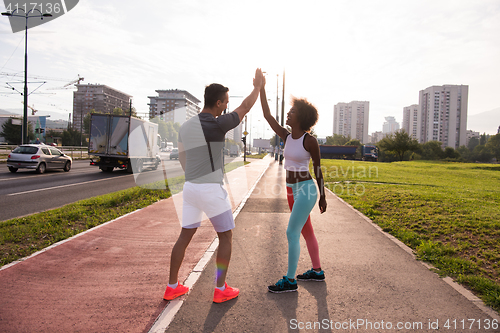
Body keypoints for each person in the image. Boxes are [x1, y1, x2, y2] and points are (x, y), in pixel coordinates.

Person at [164, 68, 264, 303]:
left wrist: (194, 175)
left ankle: (171, 286)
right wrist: (258, 88)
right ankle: (220, 289)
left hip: (189, 188)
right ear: (218, 103)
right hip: (210, 189)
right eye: (226, 103)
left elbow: (181, 157)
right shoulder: (218, 124)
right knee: (226, 237)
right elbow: (246, 107)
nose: (227, 107)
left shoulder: (186, 126)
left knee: (184, 237)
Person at [260, 76, 327, 293]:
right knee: (305, 232)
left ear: (303, 117)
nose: (288, 113)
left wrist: (323, 196)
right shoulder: (286, 136)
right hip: (292, 191)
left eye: (292, 111)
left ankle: (290, 281)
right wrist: (261, 89)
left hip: (306, 190)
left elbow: (317, 169)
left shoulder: (310, 141)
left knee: (291, 233)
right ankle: (317, 271)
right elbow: (267, 116)